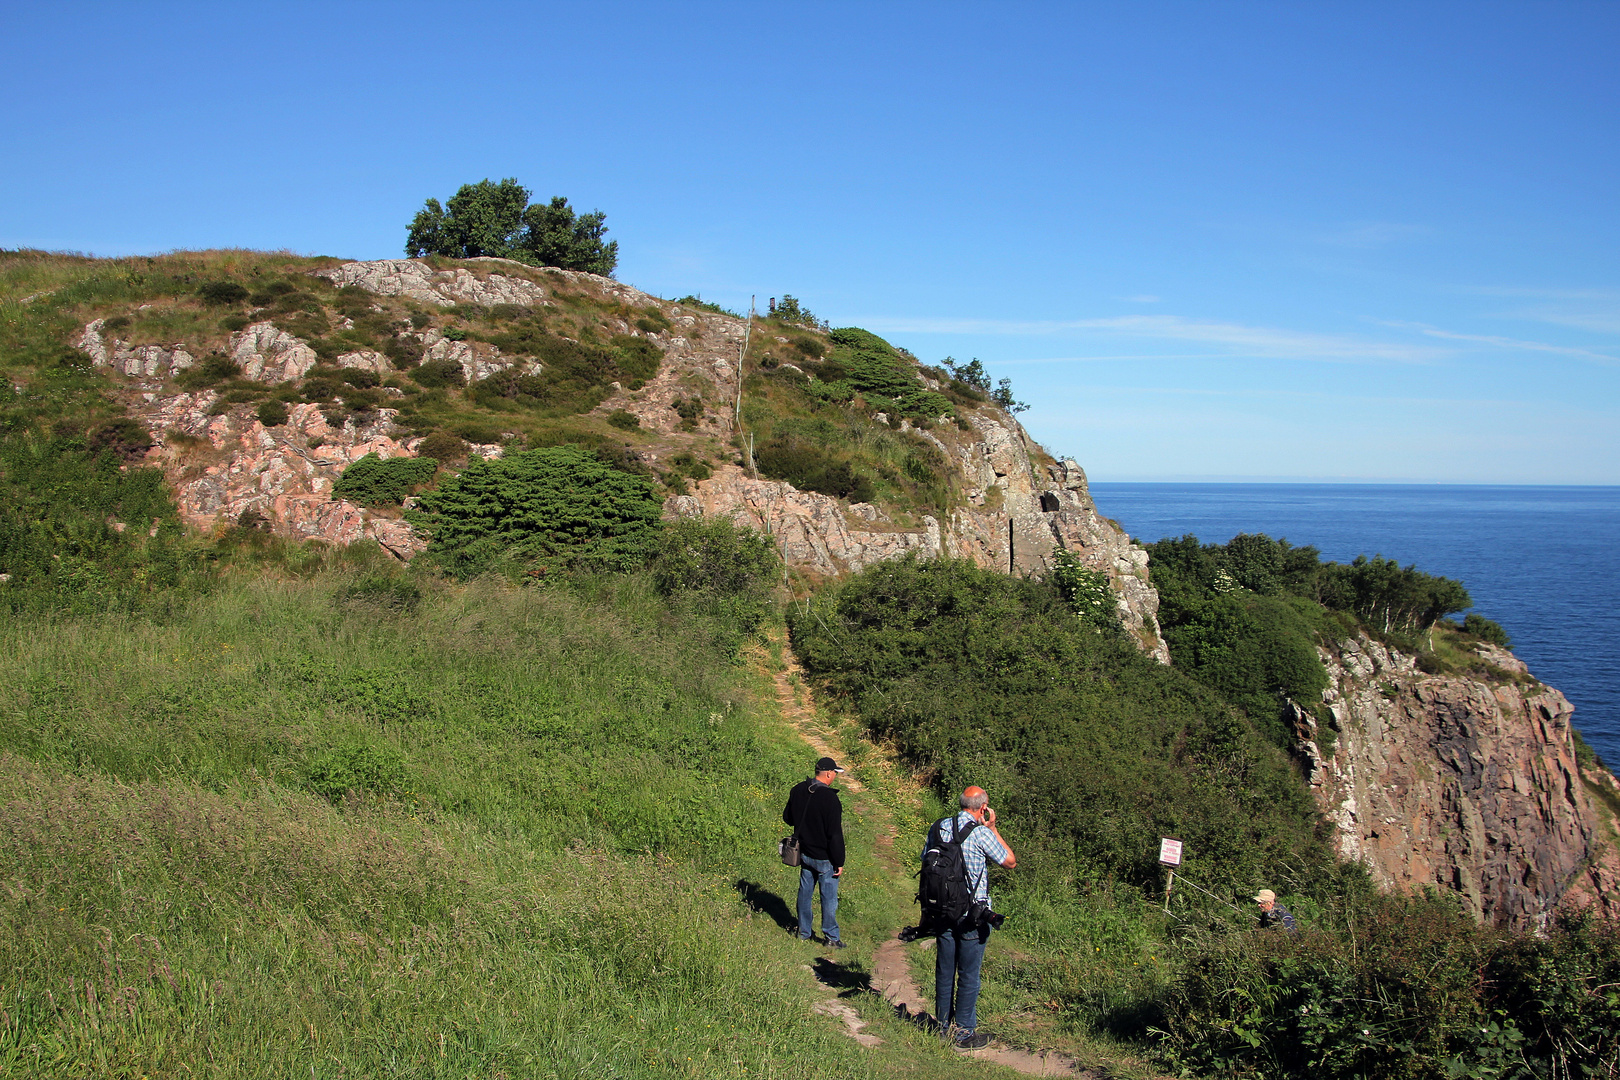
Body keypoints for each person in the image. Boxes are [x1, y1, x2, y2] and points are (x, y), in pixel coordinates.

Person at [928, 785, 1016, 1051]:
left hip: (942, 911)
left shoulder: (938, 827)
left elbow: (926, 859)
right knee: (969, 973)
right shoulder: (980, 833)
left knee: (945, 970)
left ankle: (942, 1027)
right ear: (983, 807)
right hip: (972, 915)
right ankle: (964, 1033)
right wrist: (993, 828)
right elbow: (1010, 861)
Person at [783, 756, 847, 947]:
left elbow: (788, 818)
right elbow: (834, 835)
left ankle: (803, 932)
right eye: (835, 773)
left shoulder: (798, 790)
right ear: (828, 773)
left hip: (804, 852)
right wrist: (839, 861)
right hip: (824, 858)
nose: (835, 776)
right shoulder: (830, 799)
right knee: (828, 898)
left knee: (805, 893)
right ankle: (831, 938)